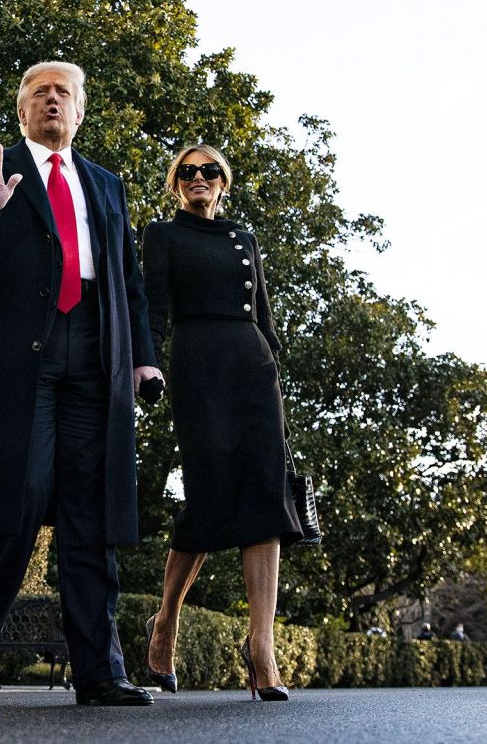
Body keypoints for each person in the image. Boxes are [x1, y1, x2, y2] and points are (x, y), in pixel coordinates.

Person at [0, 61, 163, 707]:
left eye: (64, 92)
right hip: (17, 357)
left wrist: (143, 358)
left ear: (81, 111)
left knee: (91, 519)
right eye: (41, 92)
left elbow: (129, 282)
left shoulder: (106, 185)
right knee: (20, 504)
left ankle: (99, 672)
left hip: (95, 356)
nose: (53, 100)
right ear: (22, 109)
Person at [140, 144, 303, 702]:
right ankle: (165, 623)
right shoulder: (162, 236)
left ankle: (262, 649)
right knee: (208, 497)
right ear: (176, 184)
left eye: (208, 170)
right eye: (187, 173)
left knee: (265, 495)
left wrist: (274, 371)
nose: (198, 178)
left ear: (223, 181)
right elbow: (153, 310)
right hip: (198, 368)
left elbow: (265, 317)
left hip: (253, 369)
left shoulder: (244, 240)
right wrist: (149, 365)